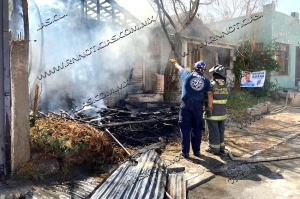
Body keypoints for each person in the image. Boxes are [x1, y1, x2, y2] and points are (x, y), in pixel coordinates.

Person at [169, 59, 213, 158]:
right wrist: (210, 108)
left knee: (185, 128)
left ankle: (185, 152)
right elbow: (210, 94)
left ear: (194, 68)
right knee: (197, 129)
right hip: (198, 107)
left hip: (186, 106)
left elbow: (179, 68)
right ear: (203, 70)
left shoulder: (187, 75)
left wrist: (175, 63)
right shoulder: (206, 80)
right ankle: (197, 152)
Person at [204, 64, 229, 155]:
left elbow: (209, 95)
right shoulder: (225, 85)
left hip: (213, 112)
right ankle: (221, 147)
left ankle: (214, 148)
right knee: (221, 130)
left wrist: (208, 108)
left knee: (213, 130)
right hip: (222, 112)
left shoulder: (212, 84)